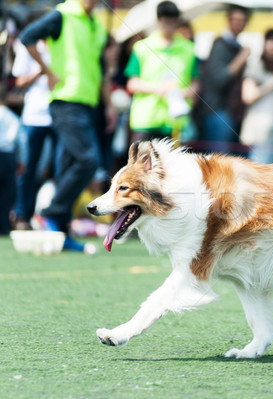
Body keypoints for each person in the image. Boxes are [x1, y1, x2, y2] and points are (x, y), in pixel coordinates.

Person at [19, 0, 116, 252]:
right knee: (88, 160)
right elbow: (27, 36)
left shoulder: (96, 25)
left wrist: (108, 106)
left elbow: (100, 69)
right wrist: (47, 71)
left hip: (88, 104)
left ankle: (61, 232)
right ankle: (51, 212)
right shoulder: (62, 15)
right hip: (66, 101)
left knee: (70, 165)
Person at [125, 1, 200, 143]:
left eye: (172, 23)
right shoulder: (142, 48)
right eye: (165, 22)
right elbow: (132, 83)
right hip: (146, 120)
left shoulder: (188, 49)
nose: (168, 27)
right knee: (142, 164)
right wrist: (159, 88)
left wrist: (185, 92)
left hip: (175, 122)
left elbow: (195, 82)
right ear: (158, 21)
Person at [11, 27, 56, 230]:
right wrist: (42, 70)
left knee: (57, 169)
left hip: (60, 114)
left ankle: (52, 217)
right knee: (28, 168)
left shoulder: (62, 45)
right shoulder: (28, 47)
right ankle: (22, 215)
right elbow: (19, 81)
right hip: (35, 116)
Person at [202, 5, 251, 154]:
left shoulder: (236, 46)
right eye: (235, 20)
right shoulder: (220, 45)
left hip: (229, 112)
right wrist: (242, 58)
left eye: (242, 20)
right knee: (218, 164)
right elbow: (219, 79)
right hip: (217, 111)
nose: (238, 23)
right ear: (228, 21)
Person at [240, 28, 273, 164]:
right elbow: (248, 95)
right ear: (264, 43)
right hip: (260, 135)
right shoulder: (256, 64)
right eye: (270, 41)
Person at [0, 102, 27, 235]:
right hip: (7, 156)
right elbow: (21, 140)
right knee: (6, 195)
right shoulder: (12, 117)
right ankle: (4, 227)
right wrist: (22, 160)